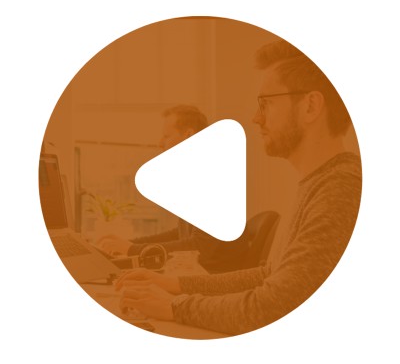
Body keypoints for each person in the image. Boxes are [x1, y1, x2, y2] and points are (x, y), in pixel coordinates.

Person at [114, 40, 362, 336]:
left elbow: (273, 307)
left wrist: (174, 306)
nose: (256, 118)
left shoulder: (340, 188)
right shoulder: (316, 183)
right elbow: (269, 276)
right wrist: (173, 284)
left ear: (310, 106)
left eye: (265, 104)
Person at [97, 104, 248, 272]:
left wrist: (132, 249)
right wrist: (130, 244)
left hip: (212, 277)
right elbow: (180, 234)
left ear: (189, 136)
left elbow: (198, 247)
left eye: (166, 136)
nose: (160, 143)